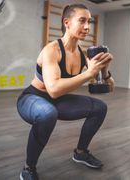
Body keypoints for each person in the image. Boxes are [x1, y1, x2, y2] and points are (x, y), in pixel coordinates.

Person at [17, 3, 115, 180]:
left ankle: (80, 152)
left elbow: (109, 88)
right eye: (82, 21)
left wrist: (104, 70)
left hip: (57, 102)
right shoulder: (51, 50)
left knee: (100, 107)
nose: (87, 27)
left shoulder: (82, 54)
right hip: (33, 98)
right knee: (48, 113)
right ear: (67, 22)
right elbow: (53, 90)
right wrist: (89, 73)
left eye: (89, 22)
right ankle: (28, 167)